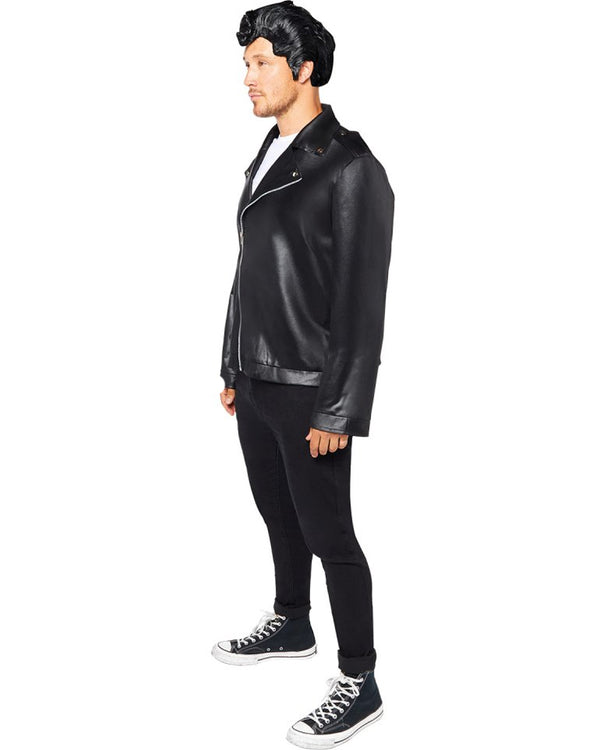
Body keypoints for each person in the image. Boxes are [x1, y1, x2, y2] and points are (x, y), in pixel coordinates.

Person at [211, 2, 395, 746]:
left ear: (304, 68)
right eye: (246, 64)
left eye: (261, 63)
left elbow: (360, 303)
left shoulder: (350, 167)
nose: (247, 78)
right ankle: (292, 620)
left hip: (311, 388)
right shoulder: (268, 153)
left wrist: (338, 410)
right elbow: (249, 269)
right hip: (257, 380)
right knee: (277, 513)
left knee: (329, 533)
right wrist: (232, 361)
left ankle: (359, 679)